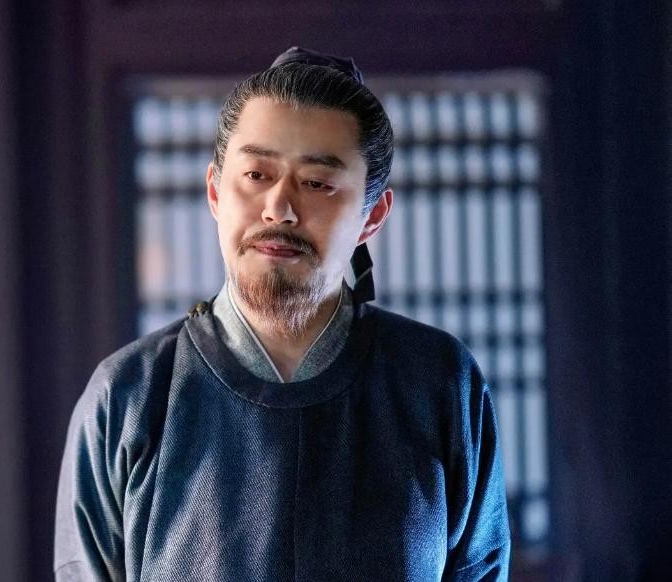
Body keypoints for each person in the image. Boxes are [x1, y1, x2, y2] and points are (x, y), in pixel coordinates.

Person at [54, 47, 510, 581]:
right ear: (215, 192)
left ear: (373, 214)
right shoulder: (130, 396)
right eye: (256, 174)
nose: (279, 208)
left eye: (317, 183)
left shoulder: (437, 383)